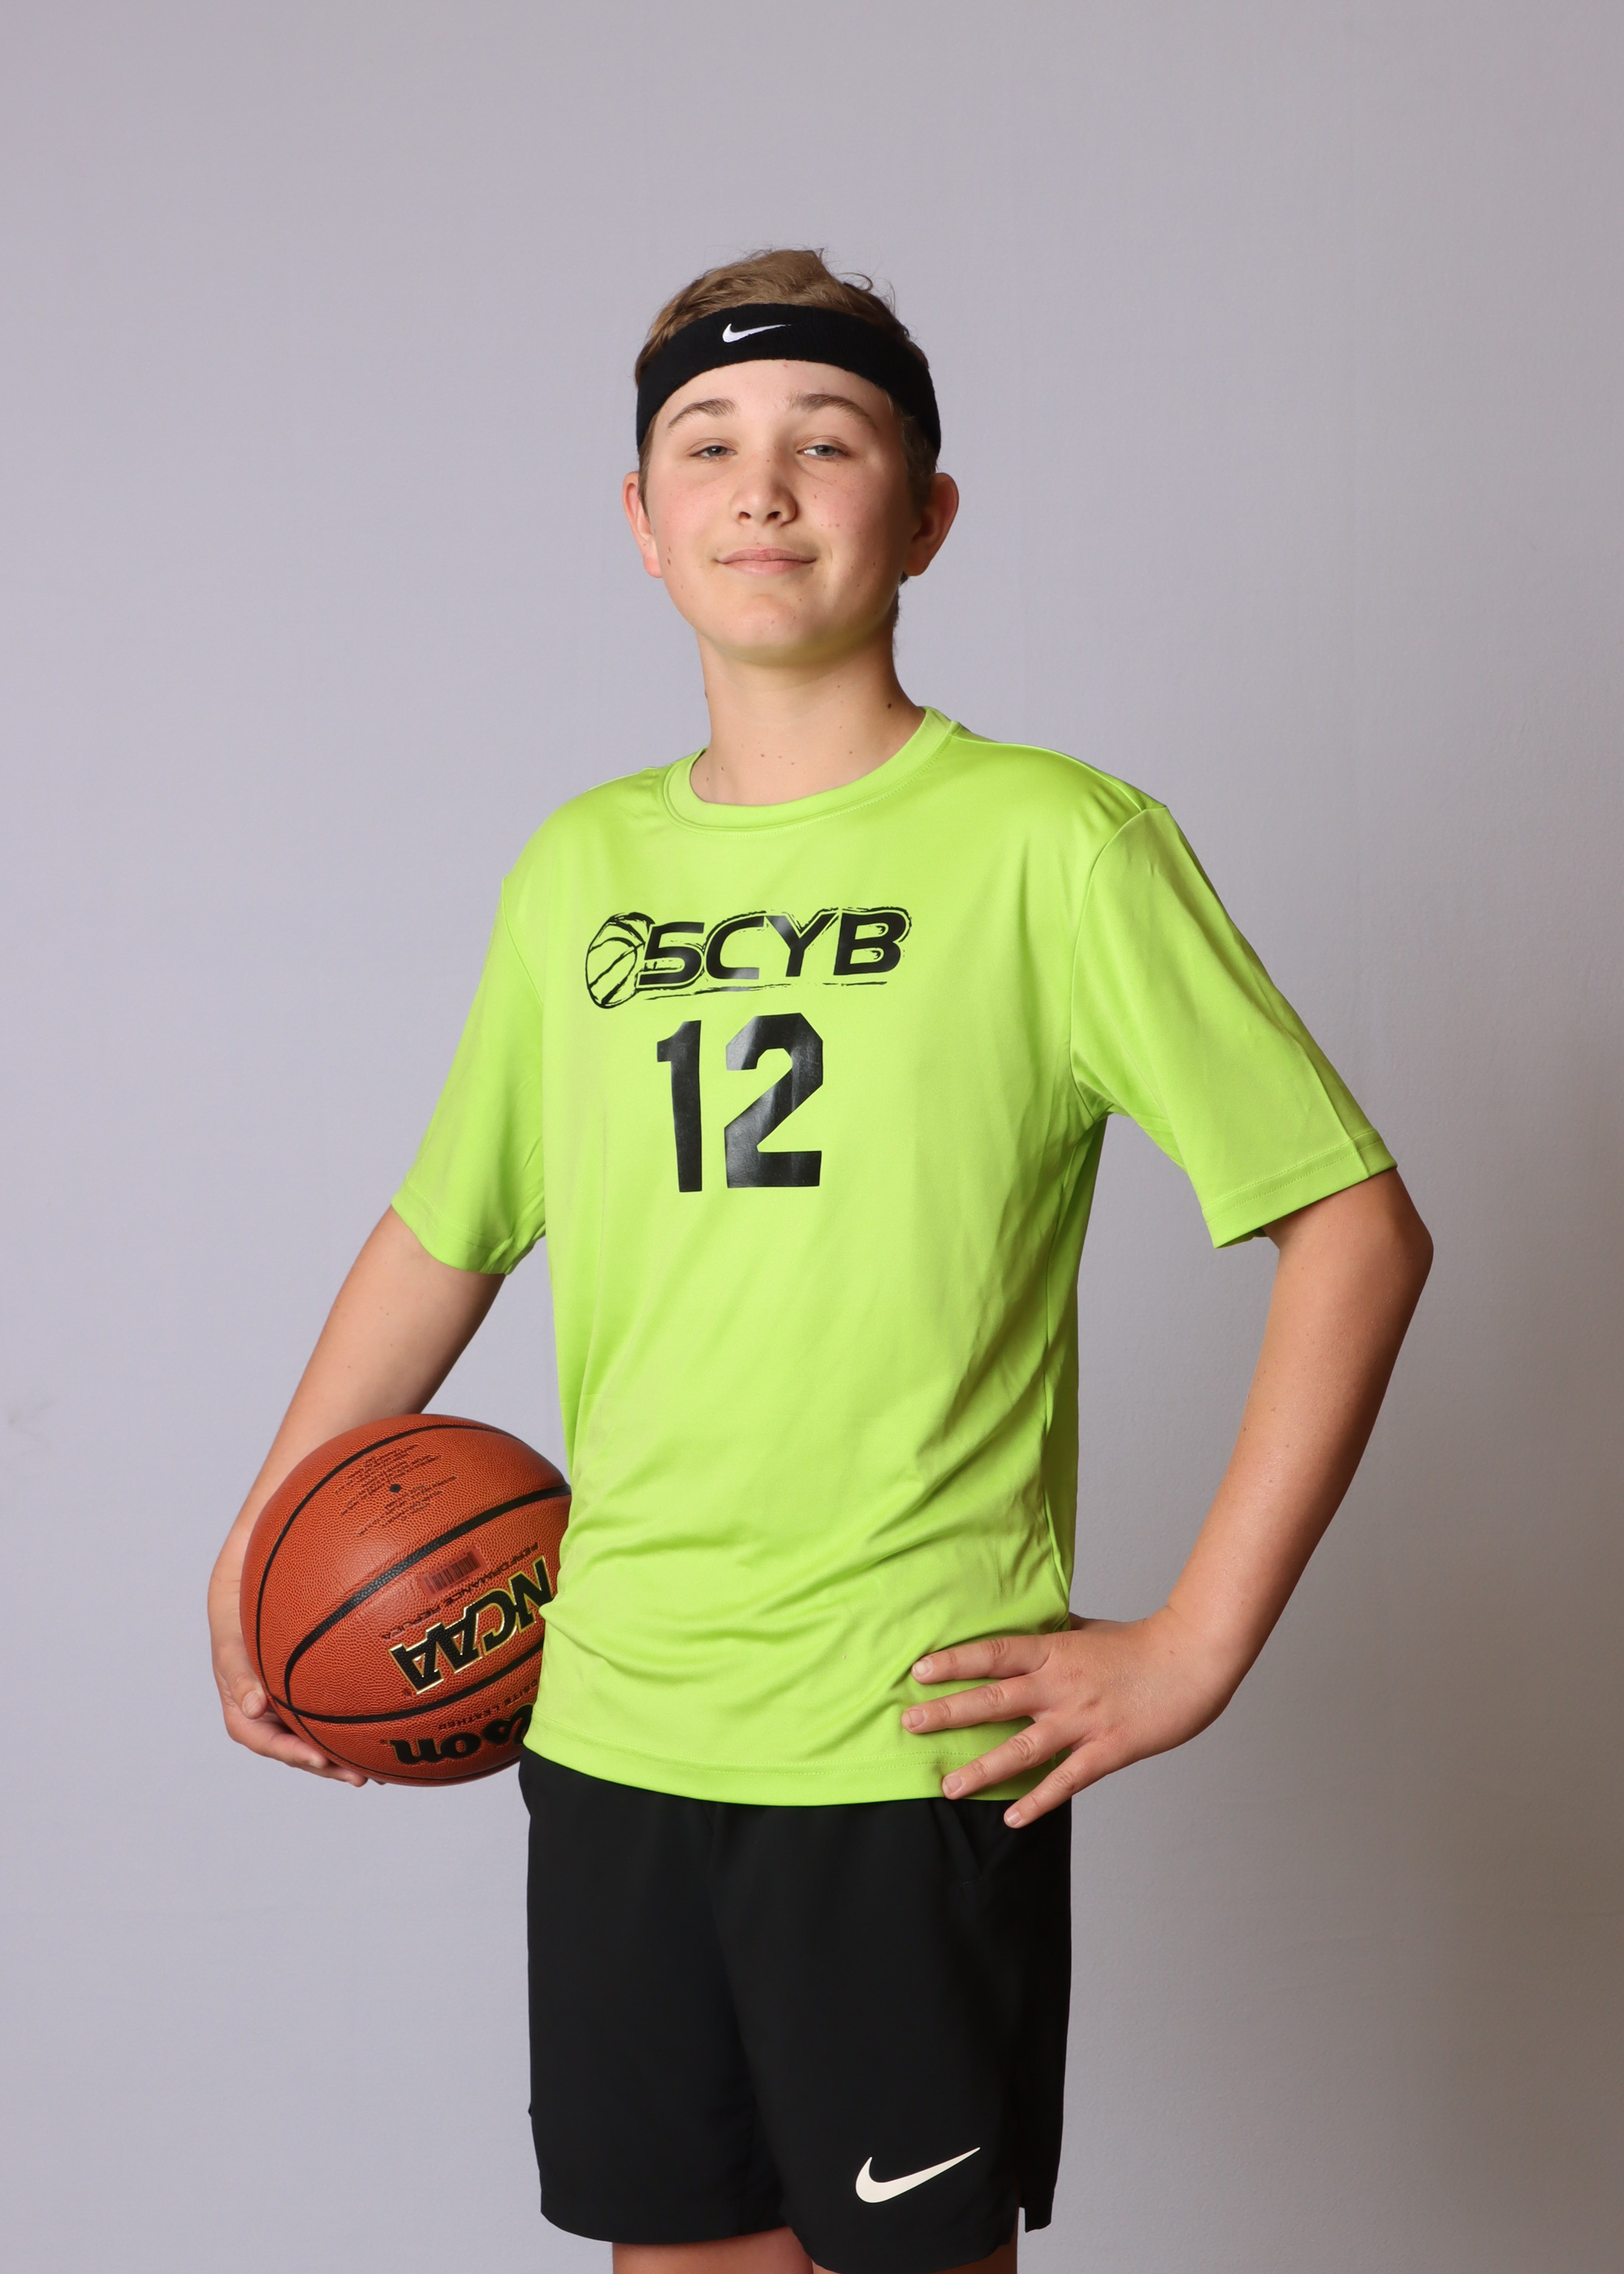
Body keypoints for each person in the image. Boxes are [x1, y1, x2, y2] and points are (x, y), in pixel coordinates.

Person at [209, 248, 1432, 2274]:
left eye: (827, 439)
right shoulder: (578, 869)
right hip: (608, 1720)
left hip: (899, 1742)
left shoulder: (1052, 842)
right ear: (640, 519)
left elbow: (1353, 1225)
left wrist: (1198, 1639)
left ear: (926, 514)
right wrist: (265, 1531)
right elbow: (445, 1227)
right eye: (706, 443)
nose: (760, 483)